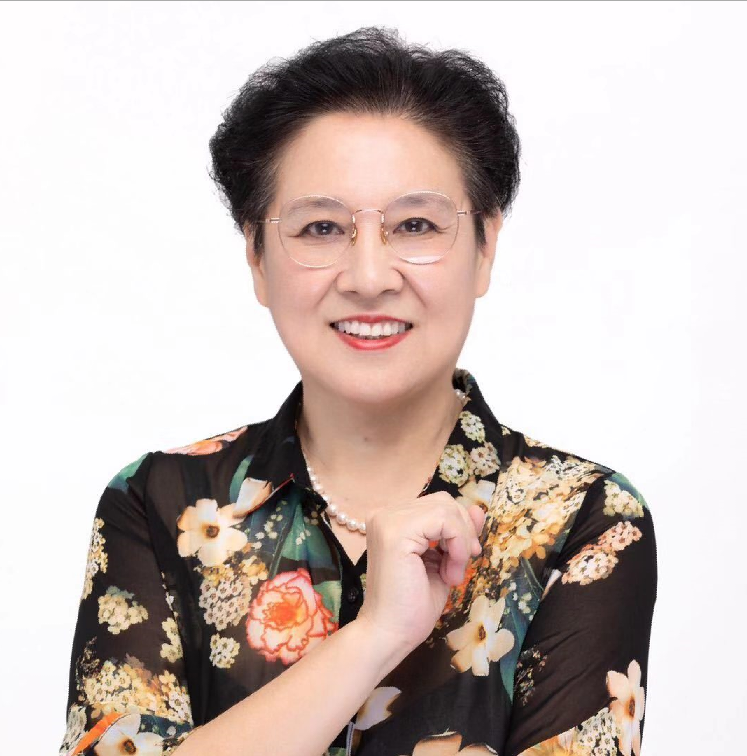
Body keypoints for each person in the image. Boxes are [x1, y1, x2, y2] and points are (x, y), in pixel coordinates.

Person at [58, 26, 657, 756]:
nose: (369, 277)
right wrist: (375, 636)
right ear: (256, 257)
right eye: (320, 227)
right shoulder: (159, 504)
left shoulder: (580, 518)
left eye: (415, 224)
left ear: (484, 249)